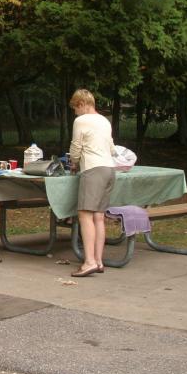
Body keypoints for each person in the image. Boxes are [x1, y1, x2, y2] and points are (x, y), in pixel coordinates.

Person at [68, 88, 116, 277]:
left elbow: (76, 147)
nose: (75, 112)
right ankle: (98, 260)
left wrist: (74, 162)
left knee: (84, 215)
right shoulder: (105, 121)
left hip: (93, 170)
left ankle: (88, 262)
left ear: (81, 104)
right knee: (99, 216)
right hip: (109, 170)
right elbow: (111, 148)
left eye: (75, 108)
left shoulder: (81, 121)